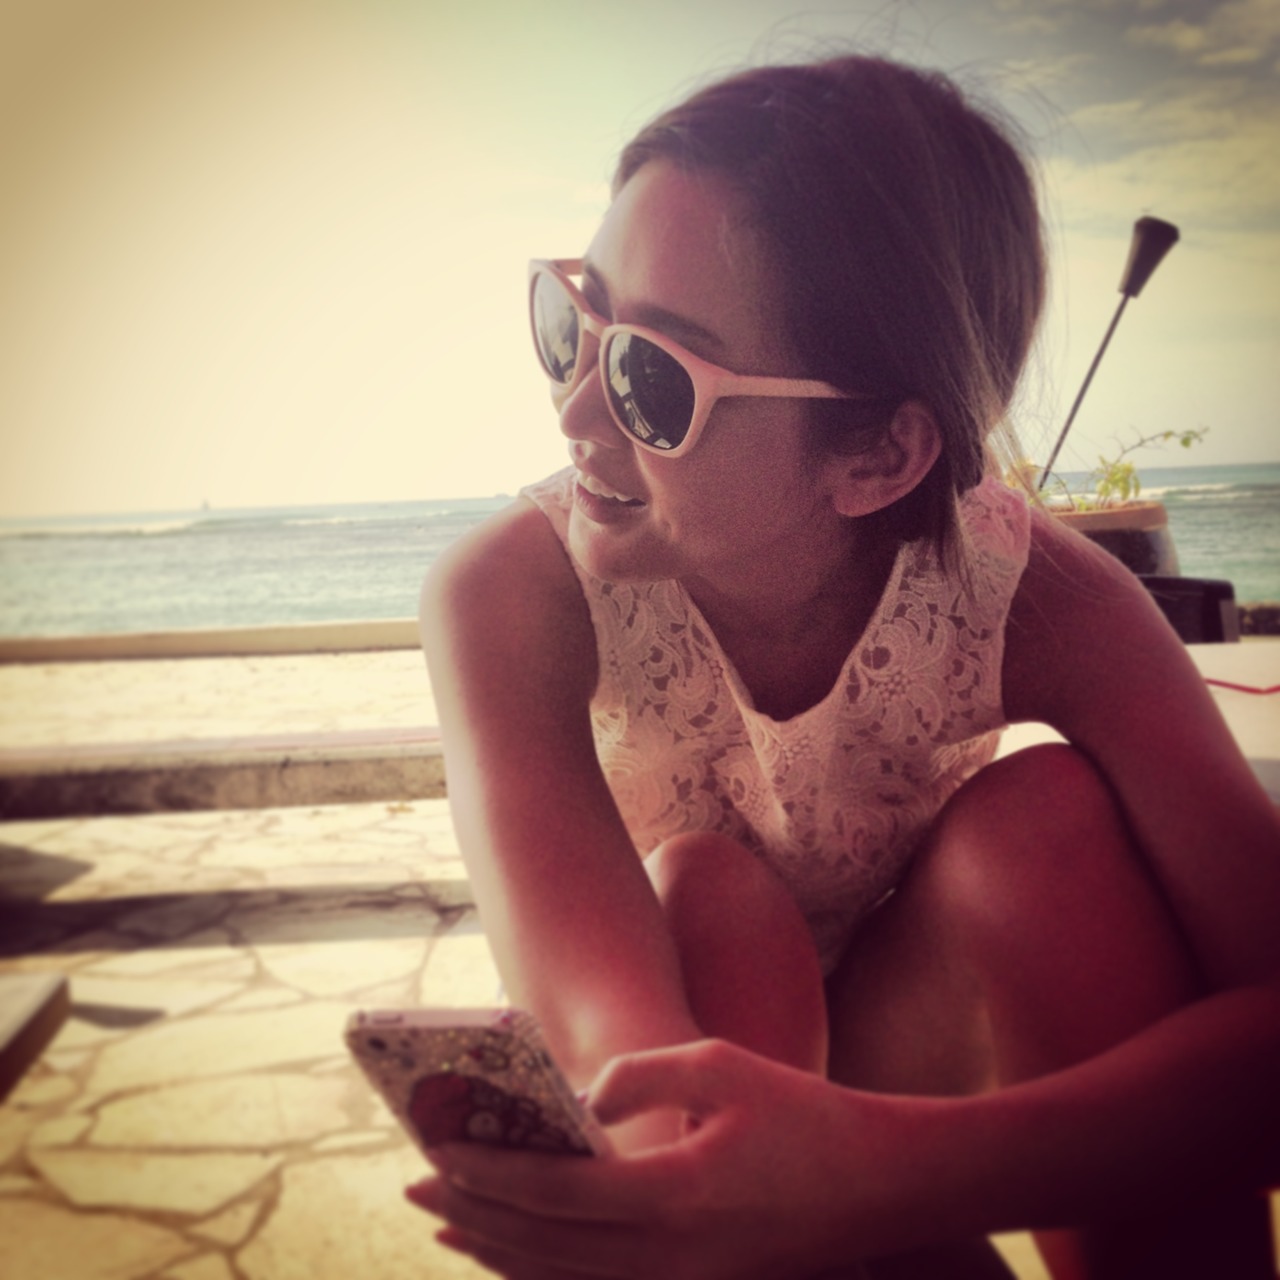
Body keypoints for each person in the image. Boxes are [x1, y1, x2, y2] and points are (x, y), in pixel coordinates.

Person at [410, 53, 1280, 1279]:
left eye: (651, 377)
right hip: (693, 1007)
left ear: (876, 457)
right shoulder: (514, 591)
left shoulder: (1038, 597)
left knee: (1042, 825)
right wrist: (679, 1193)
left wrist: (889, 1172)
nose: (574, 413)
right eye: (573, 320)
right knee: (708, 886)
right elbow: (620, 1053)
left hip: (912, 1045)